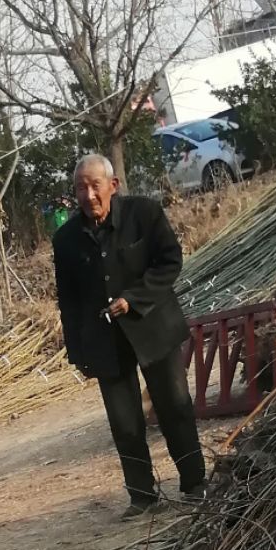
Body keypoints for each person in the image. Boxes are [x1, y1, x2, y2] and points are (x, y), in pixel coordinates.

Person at [52, 154, 206, 513]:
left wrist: (132, 299)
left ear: (113, 186)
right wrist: (78, 354)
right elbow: (69, 302)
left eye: (95, 185)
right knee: (124, 422)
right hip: (105, 341)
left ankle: (195, 482)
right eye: (80, 188)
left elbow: (170, 261)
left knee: (175, 408)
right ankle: (142, 495)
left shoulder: (145, 214)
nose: (89, 194)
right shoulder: (66, 241)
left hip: (153, 326)